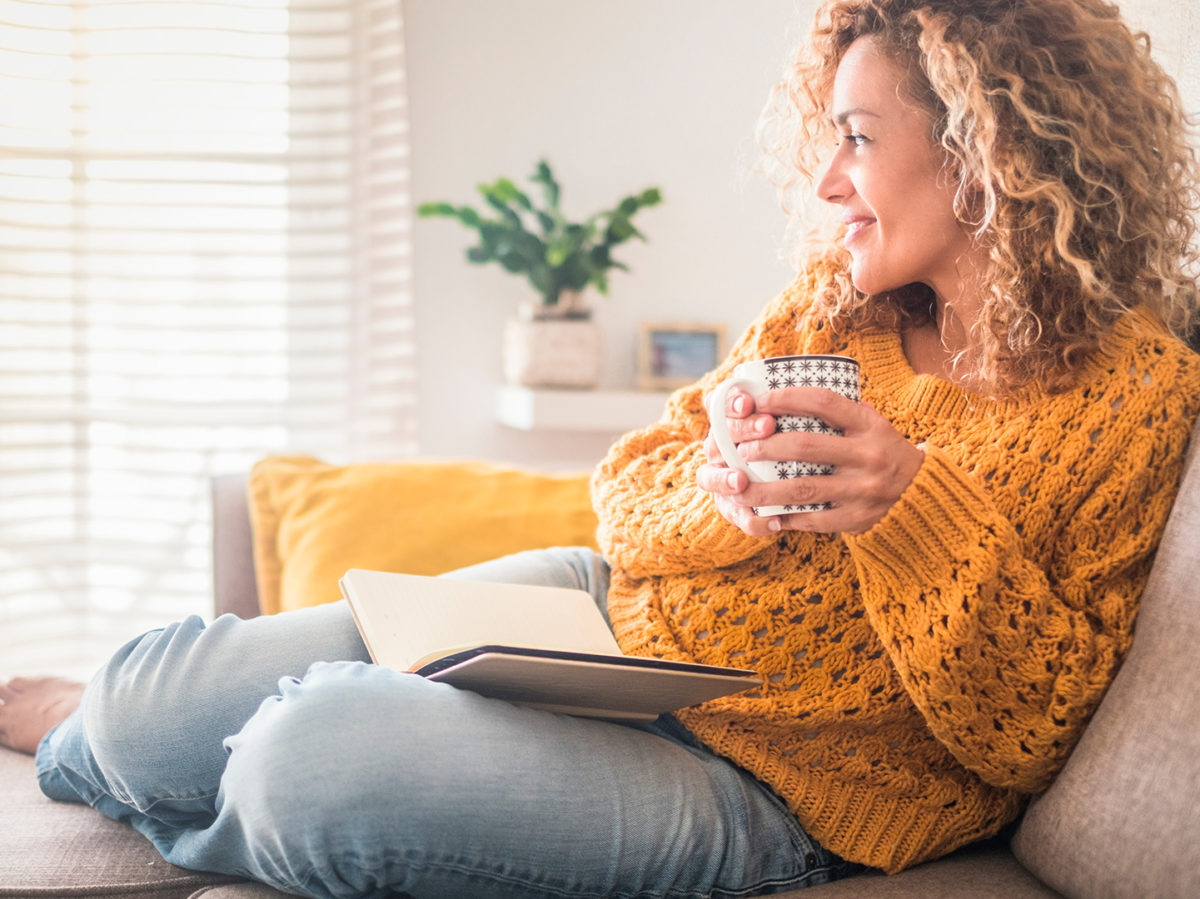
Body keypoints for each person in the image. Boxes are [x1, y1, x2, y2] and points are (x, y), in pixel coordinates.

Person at [4, 0, 1200, 895]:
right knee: (144, 696)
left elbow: (1034, 730)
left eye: (857, 137)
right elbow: (625, 492)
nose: (828, 178)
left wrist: (910, 511)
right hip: (601, 621)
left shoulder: (1136, 397)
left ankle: (224, 767)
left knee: (304, 760)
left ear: (990, 152)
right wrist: (719, 492)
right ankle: (97, 736)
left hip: (775, 785)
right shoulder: (838, 310)